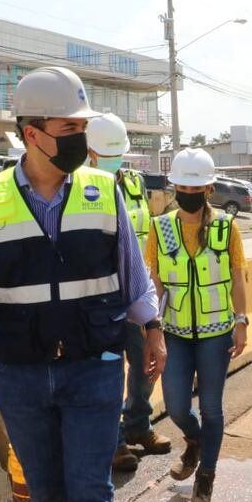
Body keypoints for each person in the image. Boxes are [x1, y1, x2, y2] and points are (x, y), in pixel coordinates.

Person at [0, 66, 164, 502]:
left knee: (90, 488)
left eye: (82, 128)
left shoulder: (103, 190)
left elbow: (132, 274)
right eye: (70, 128)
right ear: (32, 133)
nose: (80, 138)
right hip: (21, 375)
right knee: (46, 491)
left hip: (94, 367)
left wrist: (153, 330)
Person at [147, 147, 248, 502]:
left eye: (197, 188)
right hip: (174, 332)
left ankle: (205, 480)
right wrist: (152, 330)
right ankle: (195, 441)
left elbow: (237, 277)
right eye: (183, 187)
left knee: (211, 408)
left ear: (209, 188)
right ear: (174, 187)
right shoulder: (160, 228)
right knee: (176, 405)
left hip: (216, 333)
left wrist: (241, 321)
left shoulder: (226, 227)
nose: (189, 193)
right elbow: (155, 282)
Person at [86, 112, 172, 472]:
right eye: (107, 154)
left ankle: (139, 424)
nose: (113, 160)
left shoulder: (135, 183)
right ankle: (114, 441)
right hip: (100, 297)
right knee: (109, 373)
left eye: (117, 153)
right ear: (89, 152)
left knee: (145, 366)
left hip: (137, 293)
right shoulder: (79, 187)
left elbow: (148, 235)